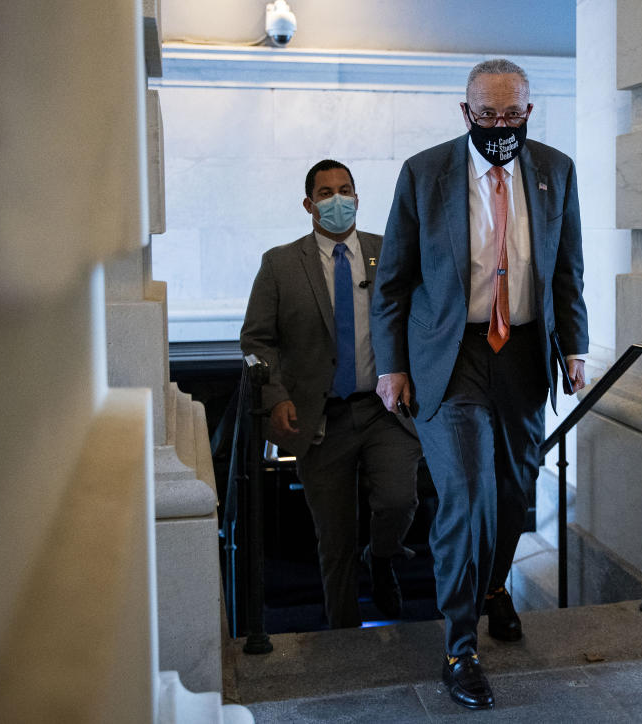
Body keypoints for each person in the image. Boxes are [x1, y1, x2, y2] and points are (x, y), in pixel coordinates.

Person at [371, 59, 588, 710]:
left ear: (529, 111)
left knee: (514, 491)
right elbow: (394, 282)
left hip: (523, 352)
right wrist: (391, 364)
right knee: (466, 494)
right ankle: (459, 647)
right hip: (451, 353)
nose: (501, 125)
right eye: (488, 114)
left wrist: (574, 347)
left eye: (513, 113)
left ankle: (494, 588)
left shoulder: (555, 171)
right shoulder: (425, 173)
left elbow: (566, 270)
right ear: (465, 113)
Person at [240, 159, 422, 629]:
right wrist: (276, 396)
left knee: (399, 500)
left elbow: (420, 323)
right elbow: (257, 341)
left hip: (386, 412)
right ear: (309, 204)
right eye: (326, 193)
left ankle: (381, 557)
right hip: (321, 420)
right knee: (334, 541)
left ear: (358, 198)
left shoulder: (391, 254)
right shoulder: (281, 264)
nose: (337, 200)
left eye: (345, 190)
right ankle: (344, 638)